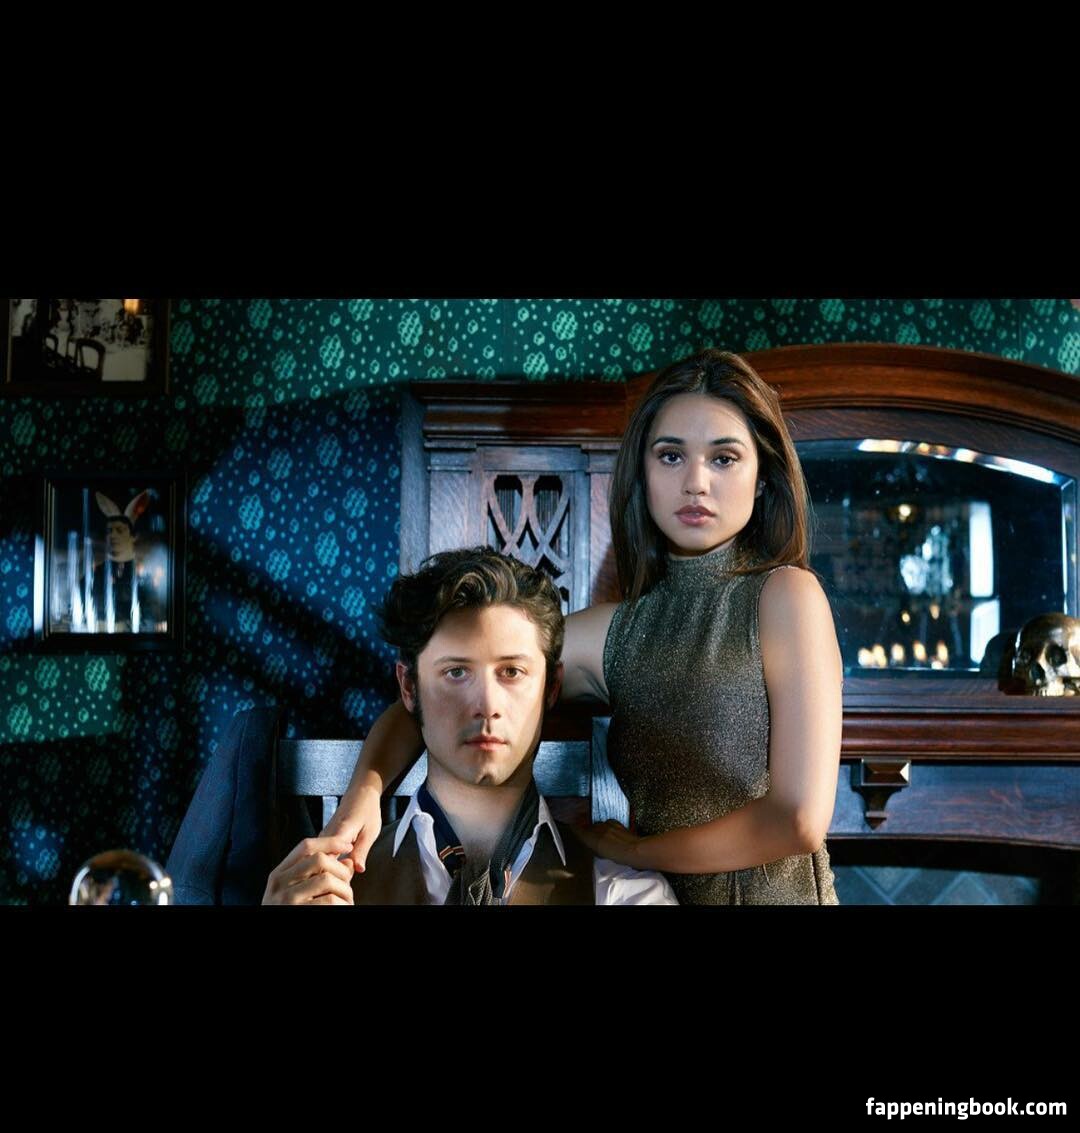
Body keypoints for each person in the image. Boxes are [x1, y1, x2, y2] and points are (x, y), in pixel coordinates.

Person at [322, 349, 842, 905]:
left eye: (724, 458)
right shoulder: (614, 634)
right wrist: (363, 797)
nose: (695, 482)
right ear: (642, 473)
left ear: (762, 478)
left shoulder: (788, 597)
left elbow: (797, 820)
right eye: (670, 456)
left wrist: (635, 851)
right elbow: (437, 694)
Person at [263, 547, 677, 905]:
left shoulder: (621, 893)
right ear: (409, 687)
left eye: (512, 672)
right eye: (457, 672)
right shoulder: (328, 891)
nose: (487, 706)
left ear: (551, 687)